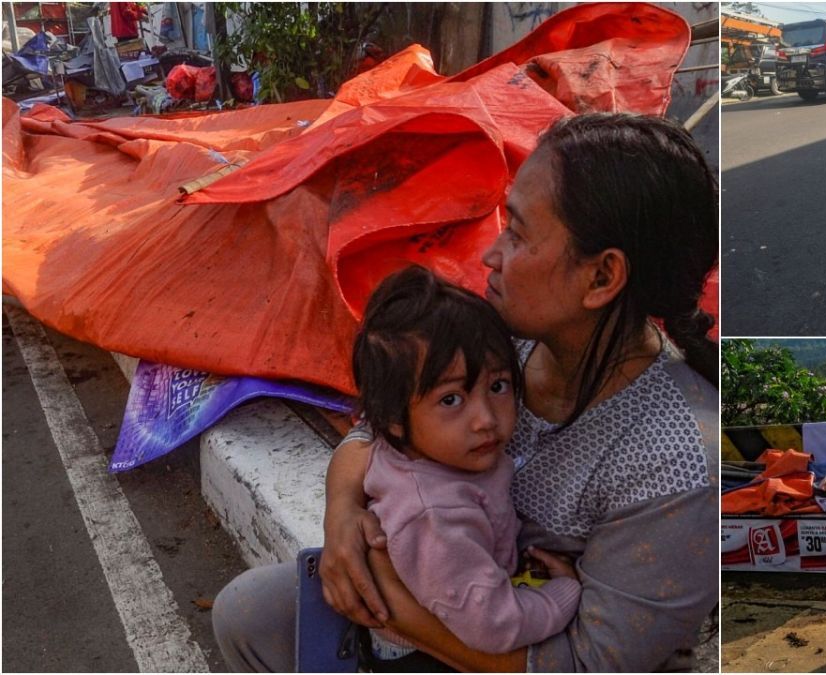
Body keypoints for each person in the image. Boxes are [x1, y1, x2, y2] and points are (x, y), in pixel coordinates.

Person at [211, 112, 720, 672]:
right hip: (435, 603)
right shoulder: (506, 342)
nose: (490, 254)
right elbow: (377, 425)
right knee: (249, 611)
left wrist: (401, 615)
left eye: (519, 232)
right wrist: (341, 515)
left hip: (518, 644)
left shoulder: (676, 459)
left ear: (600, 278)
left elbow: (588, 662)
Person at [350, 265, 582, 667]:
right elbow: (494, 626)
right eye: (451, 400)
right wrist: (564, 593)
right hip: (426, 656)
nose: (485, 419)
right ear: (393, 417)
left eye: (497, 386)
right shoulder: (436, 516)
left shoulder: (425, 446)